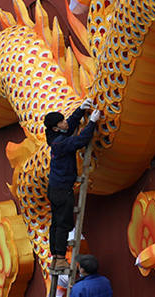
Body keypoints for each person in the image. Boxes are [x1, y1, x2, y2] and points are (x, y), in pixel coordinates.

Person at [44, 99, 100, 270]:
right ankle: (60, 258)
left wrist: (79, 111)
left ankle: (55, 256)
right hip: (62, 190)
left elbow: (68, 127)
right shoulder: (60, 143)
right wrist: (91, 123)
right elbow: (79, 141)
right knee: (63, 223)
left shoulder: (55, 136)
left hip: (55, 188)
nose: (64, 122)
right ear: (55, 128)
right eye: (61, 121)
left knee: (56, 223)